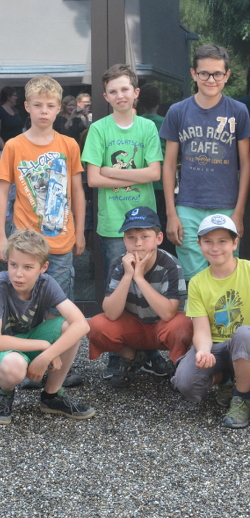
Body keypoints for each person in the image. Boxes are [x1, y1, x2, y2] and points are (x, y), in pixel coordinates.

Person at [171, 214, 250, 429]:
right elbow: (201, 329)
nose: (215, 248)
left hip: (247, 343)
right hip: (216, 346)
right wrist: (203, 351)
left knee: (245, 333)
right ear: (199, 244)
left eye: (222, 241)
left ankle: (242, 397)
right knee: (185, 384)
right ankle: (226, 379)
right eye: (208, 241)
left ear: (234, 243)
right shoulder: (197, 282)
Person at [0, 76, 86, 389]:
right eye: (38, 105)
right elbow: (3, 191)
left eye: (50, 106)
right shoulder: (14, 146)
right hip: (24, 245)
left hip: (61, 241)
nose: (44, 111)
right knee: (23, 303)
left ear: (59, 108)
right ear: (27, 106)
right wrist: (1, 236)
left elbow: (78, 190)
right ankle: (24, 361)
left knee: (57, 308)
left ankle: (52, 366)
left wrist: (81, 231)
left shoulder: (68, 145)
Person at [81, 64, 164, 378]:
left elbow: (154, 173)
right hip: (114, 224)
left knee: (148, 285)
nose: (120, 95)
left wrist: (110, 171)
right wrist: (129, 175)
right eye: (113, 91)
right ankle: (119, 353)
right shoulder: (99, 129)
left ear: (136, 92)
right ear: (105, 96)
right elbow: (92, 179)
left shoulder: (147, 128)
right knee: (117, 287)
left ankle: (151, 349)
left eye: (125, 89)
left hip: (144, 223)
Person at [160, 44, 250, 281]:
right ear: (194, 73)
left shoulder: (238, 111)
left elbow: (246, 164)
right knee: (194, 278)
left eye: (217, 74)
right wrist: (171, 212)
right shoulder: (178, 111)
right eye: (204, 73)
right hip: (188, 206)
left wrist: (239, 212)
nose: (211, 80)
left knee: (226, 275)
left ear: (227, 75)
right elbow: (168, 165)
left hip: (227, 206)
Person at [87, 206, 192, 388]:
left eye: (145, 237)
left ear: (159, 238)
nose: (138, 243)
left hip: (161, 326)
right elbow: (111, 313)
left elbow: (168, 313)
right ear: (124, 240)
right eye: (131, 237)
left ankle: (177, 364)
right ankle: (132, 356)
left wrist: (140, 278)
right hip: (133, 326)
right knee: (95, 325)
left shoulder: (171, 265)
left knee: (184, 324)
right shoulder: (119, 265)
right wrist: (128, 275)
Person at [0, 230, 94, 425]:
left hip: (29, 339)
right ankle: (4, 394)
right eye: (13, 265)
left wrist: (46, 356)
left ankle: (52, 396)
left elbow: (81, 324)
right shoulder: (2, 286)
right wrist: (43, 346)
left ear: (43, 267)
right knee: (14, 366)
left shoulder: (46, 283)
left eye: (28, 267)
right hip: (6, 349)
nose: (18, 273)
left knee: (69, 327)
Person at [137, 83, 176, 256]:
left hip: (142, 184)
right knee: (163, 223)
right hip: (163, 183)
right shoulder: (165, 122)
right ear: (159, 101)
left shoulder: (137, 124)